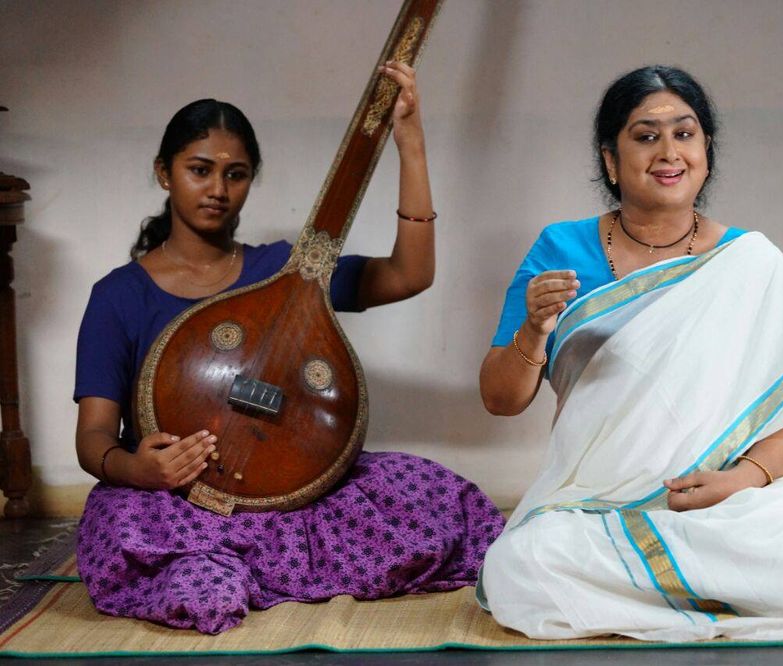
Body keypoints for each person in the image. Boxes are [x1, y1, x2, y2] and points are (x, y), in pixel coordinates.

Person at [477, 65, 783, 642]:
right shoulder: (560, 249)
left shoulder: (750, 260)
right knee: (520, 566)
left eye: (684, 133)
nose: (668, 152)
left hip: (725, 501)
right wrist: (533, 332)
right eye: (645, 136)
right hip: (595, 505)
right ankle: (725, 591)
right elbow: (500, 399)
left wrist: (745, 478)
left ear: (706, 151)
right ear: (610, 160)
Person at [74, 62, 504, 635]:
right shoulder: (119, 295)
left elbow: (409, 274)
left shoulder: (289, 271)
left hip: (290, 498)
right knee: (175, 572)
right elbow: (93, 437)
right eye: (200, 170)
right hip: (170, 502)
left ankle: (249, 562)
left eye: (236, 174)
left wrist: (411, 147)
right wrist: (136, 468)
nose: (218, 189)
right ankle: (235, 568)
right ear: (164, 173)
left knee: (441, 503)